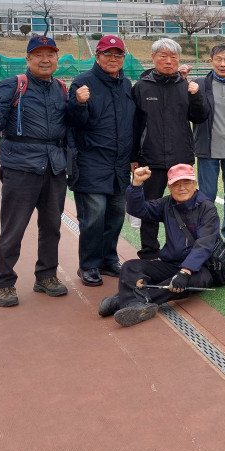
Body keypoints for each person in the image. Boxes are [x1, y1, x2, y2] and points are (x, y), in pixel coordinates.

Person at [0, 35, 71, 307]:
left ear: (57, 59)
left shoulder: (61, 87)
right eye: (39, 55)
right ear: (28, 59)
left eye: (50, 54)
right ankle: (3, 282)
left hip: (54, 166)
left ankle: (46, 276)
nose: (45, 60)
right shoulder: (13, 84)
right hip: (21, 167)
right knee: (14, 228)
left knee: (52, 227)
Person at [99, 164, 221, 327]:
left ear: (195, 184)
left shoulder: (207, 208)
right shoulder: (166, 203)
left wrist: (185, 272)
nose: (182, 188)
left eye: (187, 183)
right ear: (169, 187)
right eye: (176, 184)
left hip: (198, 269)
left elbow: (204, 244)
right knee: (129, 266)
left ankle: (125, 301)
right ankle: (131, 304)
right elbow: (138, 210)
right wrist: (136, 185)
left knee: (181, 282)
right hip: (170, 264)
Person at [67, 34, 135, 287]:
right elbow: (72, 123)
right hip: (91, 162)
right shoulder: (82, 82)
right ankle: (89, 265)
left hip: (119, 164)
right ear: (97, 56)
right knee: (93, 218)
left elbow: (130, 124)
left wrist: (132, 158)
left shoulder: (125, 84)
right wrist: (78, 104)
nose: (113, 59)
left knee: (115, 216)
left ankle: (108, 259)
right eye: (108, 54)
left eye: (118, 54)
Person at [131, 38, 208, 259]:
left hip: (181, 157)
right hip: (150, 158)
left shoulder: (185, 86)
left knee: (185, 205)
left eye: (173, 57)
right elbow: (134, 125)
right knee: (149, 206)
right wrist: (133, 156)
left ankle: (183, 249)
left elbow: (200, 117)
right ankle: (149, 252)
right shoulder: (141, 87)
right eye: (163, 56)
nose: (168, 61)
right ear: (153, 58)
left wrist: (196, 96)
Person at [191, 44, 225, 251]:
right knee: (207, 196)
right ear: (210, 61)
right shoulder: (199, 84)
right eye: (218, 59)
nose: (223, 64)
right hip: (207, 150)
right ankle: (208, 236)